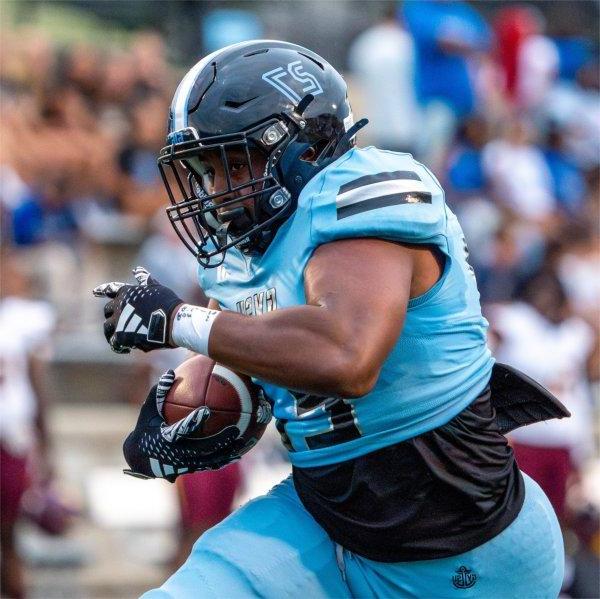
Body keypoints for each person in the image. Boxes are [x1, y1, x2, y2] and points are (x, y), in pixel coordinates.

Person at [93, 41, 565, 598]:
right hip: (324, 518)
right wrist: (213, 407)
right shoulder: (244, 256)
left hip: (462, 550)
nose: (217, 191)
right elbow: (265, 360)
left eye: (234, 164)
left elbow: (346, 357)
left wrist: (179, 321)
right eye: (205, 170)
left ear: (300, 147)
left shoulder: (364, 194)